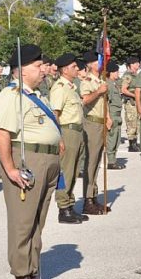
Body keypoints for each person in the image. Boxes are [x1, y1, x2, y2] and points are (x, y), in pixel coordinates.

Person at [0, 43, 62, 279]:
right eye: (38, 66)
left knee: (37, 221)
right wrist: (10, 168)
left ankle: (34, 272)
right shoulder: (11, 97)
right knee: (23, 221)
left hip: (47, 161)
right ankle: (21, 278)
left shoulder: (37, 96)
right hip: (28, 161)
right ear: (22, 71)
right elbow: (3, 133)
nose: (44, 70)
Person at [49, 52, 87, 224]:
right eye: (73, 67)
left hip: (77, 131)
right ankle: (63, 208)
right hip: (67, 131)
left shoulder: (72, 87)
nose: (77, 68)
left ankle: (70, 205)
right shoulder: (60, 88)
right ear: (65, 70)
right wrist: (60, 138)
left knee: (74, 171)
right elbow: (55, 115)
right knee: (66, 171)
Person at [79, 51, 111, 215]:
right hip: (91, 123)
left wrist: (108, 117)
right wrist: (98, 91)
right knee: (90, 162)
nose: (101, 63)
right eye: (98, 61)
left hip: (101, 123)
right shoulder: (88, 81)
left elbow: (104, 103)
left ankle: (93, 196)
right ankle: (87, 199)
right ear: (91, 64)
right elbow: (84, 100)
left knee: (97, 162)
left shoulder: (99, 80)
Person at [104, 62, 125, 170]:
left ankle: (113, 160)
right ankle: (111, 162)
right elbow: (105, 102)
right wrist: (108, 117)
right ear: (111, 72)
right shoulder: (108, 84)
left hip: (117, 114)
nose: (118, 73)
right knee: (112, 139)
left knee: (116, 139)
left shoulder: (114, 84)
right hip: (112, 114)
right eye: (116, 71)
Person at [120, 57, 140, 152]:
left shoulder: (135, 75)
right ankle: (132, 144)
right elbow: (123, 89)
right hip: (130, 103)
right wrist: (135, 95)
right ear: (131, 65)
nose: (138, 65)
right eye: (136, 63)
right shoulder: (128, 75)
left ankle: (135, 142)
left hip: (136, 102)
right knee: (131, 123)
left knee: (136, 123)